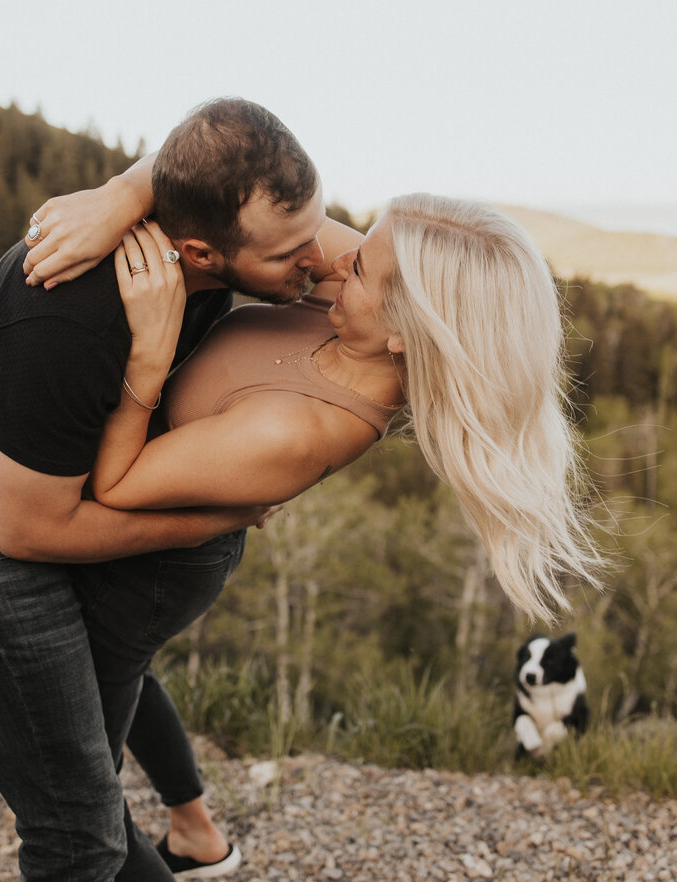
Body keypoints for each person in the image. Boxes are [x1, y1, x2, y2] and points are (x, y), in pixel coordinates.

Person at [0, 98, 362, 882]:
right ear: (199, 256)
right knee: (72, 831)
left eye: (318, 229)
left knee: (82, 790)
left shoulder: (236, 219)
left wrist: (124, 185)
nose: (321, 264)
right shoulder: (64, 318)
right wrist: (209, 520)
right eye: (289, 256)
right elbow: (27, 531)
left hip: (54, 516)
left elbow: (217, 137)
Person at [35, 193, 604, 795]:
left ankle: (106, 850)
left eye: (361, 268)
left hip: (157, 563)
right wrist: (115, 196)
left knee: (90, 727)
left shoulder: (297, 432)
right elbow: (237, 194)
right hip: (175, 506)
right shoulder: (358, 307)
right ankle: (191, 828)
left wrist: (149, 354)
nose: (343, 257)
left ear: (403, 334)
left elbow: (117, 483)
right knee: (116, 679)